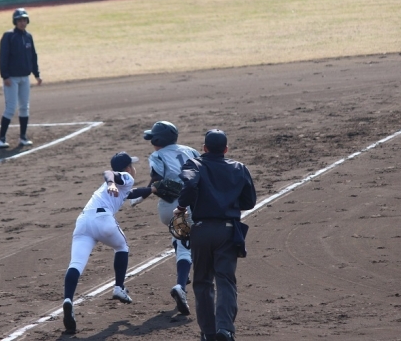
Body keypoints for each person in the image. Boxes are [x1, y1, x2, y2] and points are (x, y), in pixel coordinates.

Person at [174, 129, 257, 341]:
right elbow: (249, 202)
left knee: (202, 282)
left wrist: (181, 207)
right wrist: (228, 202)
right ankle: (225, 329)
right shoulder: (239, 168)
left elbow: (190, 184)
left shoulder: (194, 164)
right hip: (228, 232)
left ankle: (208, 333)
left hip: (201, 231)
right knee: (225, 280)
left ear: (204, 148)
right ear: (226, 149)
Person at [61, 152, 156, 334]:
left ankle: (68, 300)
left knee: (76, 263)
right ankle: (119, 287)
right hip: (103, 220)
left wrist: (152, 190)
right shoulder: (126, 177)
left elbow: (130, 194)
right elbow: (108, 173)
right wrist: (112, 182)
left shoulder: (119, 187)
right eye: (132, 165)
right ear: (127, 168)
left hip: (83, 222)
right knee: (121, 247)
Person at [139, 121, 200, 315]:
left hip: (169, 209)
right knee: (186, 245)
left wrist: (143, 193)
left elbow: (157, 180)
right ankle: (181, 284)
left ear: (157, 140)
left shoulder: (157, 156)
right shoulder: (191, 150)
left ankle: (182, 280)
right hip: (192, 205)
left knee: (181, 240)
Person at [0, 8, 42, 148]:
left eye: (24, 20)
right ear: (15, 22)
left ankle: (23, 137)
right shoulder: (9, 36)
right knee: (11, 108)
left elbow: (33, 56)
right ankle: (1, 139)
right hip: (12, 78)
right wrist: (5, 76)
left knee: (24, 107)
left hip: (25, 78)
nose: (22, 22)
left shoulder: (28, 37)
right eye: (19, 20)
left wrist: (36, 74)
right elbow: (3, 57)